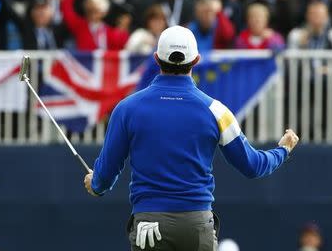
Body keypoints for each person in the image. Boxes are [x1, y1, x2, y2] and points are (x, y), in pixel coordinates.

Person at [83, 25, 300, 250]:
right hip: (196, 226)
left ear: (156, 59)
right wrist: (282, 150)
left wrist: (96, 184)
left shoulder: (127, 108)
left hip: (148, 224)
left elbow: (106, 174)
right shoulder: (217, 111)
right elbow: (253, 165)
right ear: (196, 60)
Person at [60, 0, 129, 51]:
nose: (92, 14)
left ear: (104, 13)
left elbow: (120, 47)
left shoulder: (109, 31)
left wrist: (123, 29)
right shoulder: (79, 26)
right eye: (89, 11)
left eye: (96, 11)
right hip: (83, 62)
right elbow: (67, 12)